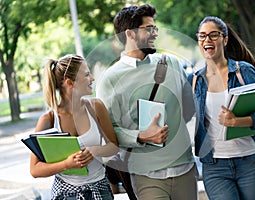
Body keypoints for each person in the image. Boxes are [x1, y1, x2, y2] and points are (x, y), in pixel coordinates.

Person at [96, 4, 199, 200]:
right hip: (146, 176)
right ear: (130, 34)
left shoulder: (172, 63)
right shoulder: (110, 79)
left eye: (155, 28)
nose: (154, 33)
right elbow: (108, 131)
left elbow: (189, 107)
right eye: (148, 29)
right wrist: (141, 136)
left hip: (184, 168)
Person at [189, 16, 255, 200]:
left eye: (214, 35)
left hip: (249, 163)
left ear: (225, 39)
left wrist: (238, 122)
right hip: (215, 167)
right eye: (202, 36)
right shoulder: (194, 80)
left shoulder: (243, 72)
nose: (207, 40)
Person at [30, 54, 119, 200]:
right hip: (65, 194)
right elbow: (35, 169)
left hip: (100, 190)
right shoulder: (49, 120)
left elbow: (114, 146)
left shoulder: (96, 107)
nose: (92, 79)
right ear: (70, 83)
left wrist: (96, 150)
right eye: (87, 75)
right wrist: (66, 164)